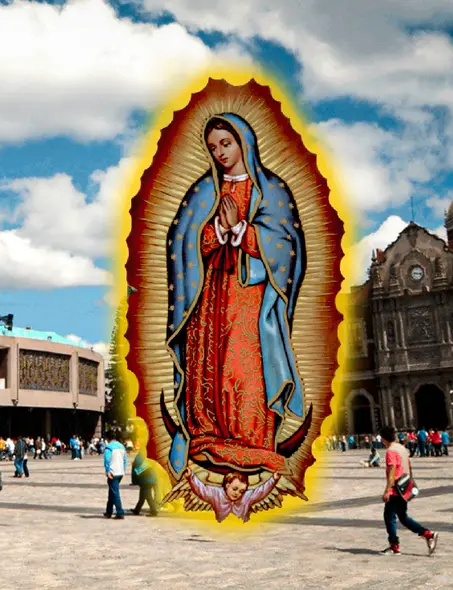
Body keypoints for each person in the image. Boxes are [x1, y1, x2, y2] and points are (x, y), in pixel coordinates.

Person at [164, 113, 306, 477]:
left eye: (226, 144)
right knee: (206, 362)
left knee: (242, 363)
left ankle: (251, 439)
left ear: (245, 143)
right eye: (213, 147)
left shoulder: (271, 190)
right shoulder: (203, 190)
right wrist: (214, 229)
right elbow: (180, 240)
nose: (221, 153)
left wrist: (243, 230)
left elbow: (287, 245)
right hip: (208, 294)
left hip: (249, 295)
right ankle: (206, 433)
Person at [379, 425, 439, 555]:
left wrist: (387, 491)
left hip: (396, 489)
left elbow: (392, 471)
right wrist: (410, 484)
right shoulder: (402, 448)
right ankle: (428, 534)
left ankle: (394, 546)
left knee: (389, 517)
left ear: (383, 439)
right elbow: (409, 467)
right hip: (405, 487)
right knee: (403, 517)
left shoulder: (391, 451)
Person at [184, 469, 280, 523]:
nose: (237, 493)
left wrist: (274, 479)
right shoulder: (216, 494)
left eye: (241, 491)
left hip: (244, 532)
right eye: (234, 489)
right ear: (227, 485)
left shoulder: (247, 497)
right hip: (219, 531)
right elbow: (201, 490)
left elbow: (262, 491)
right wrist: (190, 476)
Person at [103, 432, 128, 519]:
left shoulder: (109, 447)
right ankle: (108, 511)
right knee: (112, 491)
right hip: (120, 472)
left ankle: (120, 512)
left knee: (115, 492)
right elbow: (125, 460)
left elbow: (107, 460)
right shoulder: (122, 446)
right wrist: (123, 470)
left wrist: (107, 471)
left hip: (113, 472)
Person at [131, 451, 159, 516]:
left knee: (148, 496)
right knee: (142, 496)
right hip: (148, 478)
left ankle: (154, 511)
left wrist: (136, 469)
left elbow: (142, 465)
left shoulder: (144, 452)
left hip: (147, 479)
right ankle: (137, 510)